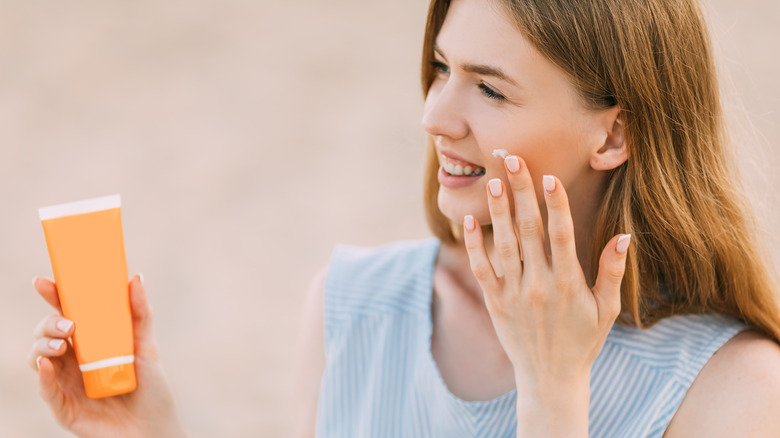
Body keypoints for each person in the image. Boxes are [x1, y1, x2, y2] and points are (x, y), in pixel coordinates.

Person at [29, 0, 780, 437]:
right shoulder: (356, 308)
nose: (435, 115)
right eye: (442, 69)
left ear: (612, 134)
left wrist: (552, 395)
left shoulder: (735, 392)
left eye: (490, 89)